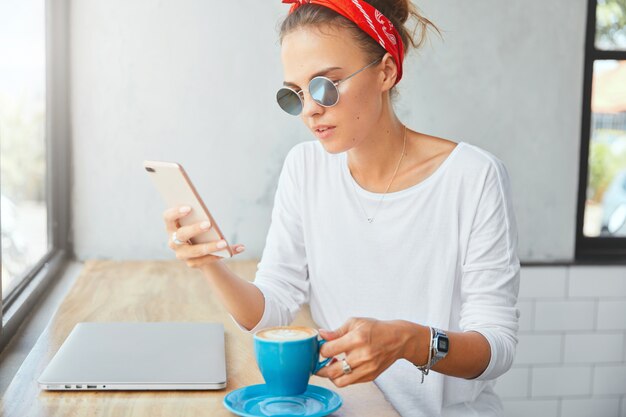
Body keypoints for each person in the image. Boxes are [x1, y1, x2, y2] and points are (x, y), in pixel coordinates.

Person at [162, 0, 521, 415]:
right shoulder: (305, 168)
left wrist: (409, 340)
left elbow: (496, 348)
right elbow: (271, 308)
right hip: (347, 408)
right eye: (294, 95)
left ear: (385, 71)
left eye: (325, 86)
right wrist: (209, 262)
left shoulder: (473, 177)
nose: (311, 110)